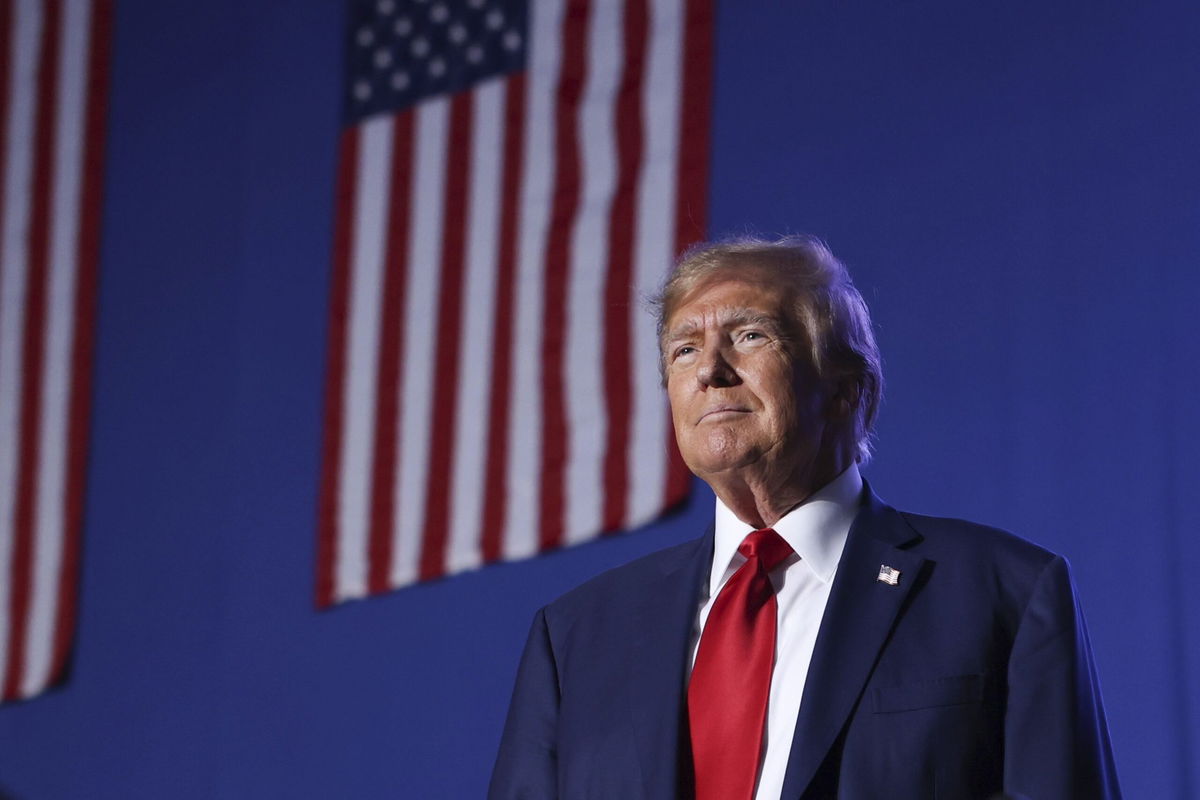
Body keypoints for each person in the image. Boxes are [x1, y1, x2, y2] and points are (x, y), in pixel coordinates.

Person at [489, 236, 1121, 800]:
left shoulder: (1002, 591)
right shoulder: (575, 637)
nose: (709, 370)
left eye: (750, 335)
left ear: (847, 387)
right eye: (684, 349)